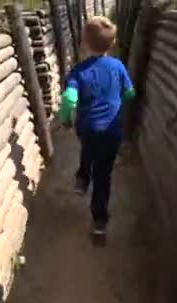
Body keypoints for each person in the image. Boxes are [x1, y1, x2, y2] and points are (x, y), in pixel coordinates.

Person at [58, 16, 136, 236]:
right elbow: (130, 93)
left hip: (87, 129)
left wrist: (64, 119)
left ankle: (82, 178)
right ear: (112, 44)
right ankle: (99, 221)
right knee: (104, 174)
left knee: (88, 147)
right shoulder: (118, 67)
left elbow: (70, 100)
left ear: (84, 42)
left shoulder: (78, 71)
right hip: (112, 132)